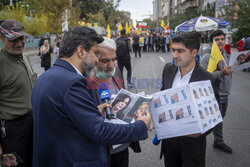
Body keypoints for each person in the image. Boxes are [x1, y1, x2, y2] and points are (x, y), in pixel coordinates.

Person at [31, 26, 151, 167]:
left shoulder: (45, 77)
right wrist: (141, 126)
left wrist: (92, 113)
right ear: (81, 51)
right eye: (95, 53)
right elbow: (100, 132)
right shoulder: (73, 82)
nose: (96, 60)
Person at [160, 32, 220, 167]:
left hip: (193, 144)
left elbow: (216, 114)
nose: (175, 55)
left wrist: (200, 132)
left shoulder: (209, 79)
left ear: (194, 52)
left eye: (180, 51)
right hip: (169, 141)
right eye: (173, 50)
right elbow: (162, 94)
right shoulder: (168, 69)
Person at [91, 37, 141, 167]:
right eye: (105, 61)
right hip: (101, 150)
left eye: (114, 59)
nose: (111, 65)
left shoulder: (116, 70)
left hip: (122, 144)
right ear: (94, 59)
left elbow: (123, 94)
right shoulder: (84, 79)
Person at [0, 19, 37, 167]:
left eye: (22, 38)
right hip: (12, 131)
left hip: (31, 123)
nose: (20, 43)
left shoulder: (24, 58)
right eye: (14, 39)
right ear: (1, 38)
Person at [200, 30, 233, 154]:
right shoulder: (207, 56)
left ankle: (218, 141)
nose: (220, 41)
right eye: (217, 39)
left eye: (222, 39)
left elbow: (229, 72)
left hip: (225, 92)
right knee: (210, 120)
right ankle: (196, 143)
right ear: (212, 42)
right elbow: (203, 76)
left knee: (220, 118)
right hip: (214, 94)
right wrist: (222, 73)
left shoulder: (225, 53)